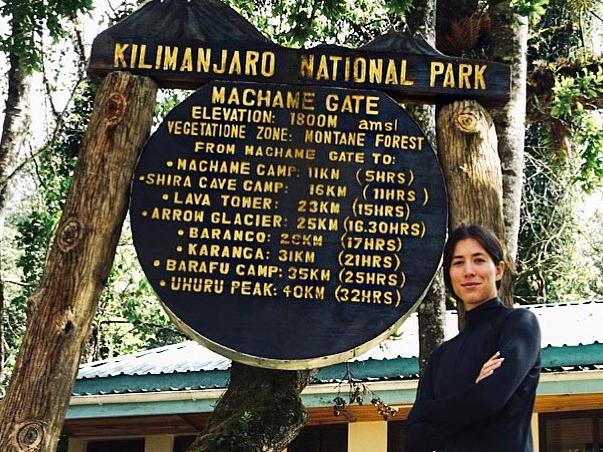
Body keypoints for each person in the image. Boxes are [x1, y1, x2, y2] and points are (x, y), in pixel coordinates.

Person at [405, 225, 541, 452]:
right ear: (449, 275)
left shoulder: (519, 325)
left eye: (478, 260)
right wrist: (474, 390)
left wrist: (432, 412)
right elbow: (414, 438)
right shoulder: (440, 356)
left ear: (498, 270)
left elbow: (490, 398)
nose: (468, 271)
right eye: (458, 262)